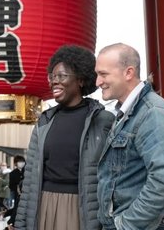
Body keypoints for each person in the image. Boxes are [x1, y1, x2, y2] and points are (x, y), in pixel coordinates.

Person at [15, 45, 114, 230]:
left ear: (81, 80)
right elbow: (29, 180)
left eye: (61, 76)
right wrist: (20, 223)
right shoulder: (44, 122)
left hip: (82, 210)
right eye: (52, 77)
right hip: (44, 205)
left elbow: (113, 176)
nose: (54, 82)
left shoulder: (102, 121)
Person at [95, 43, 164, 230]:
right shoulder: (126, 113)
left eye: (103, 74)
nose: (98, 82)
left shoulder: (154, 113)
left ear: (128, 72)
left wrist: (125, 224)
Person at [7, 155, 25, 227]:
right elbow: (11, 185)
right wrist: (17, 188)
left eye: (22, 161)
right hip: (17, 194)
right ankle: (13, 221)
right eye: (19, 162)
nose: (21, 163)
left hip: (26, 193)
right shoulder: (12, 173)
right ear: (15, 163)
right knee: (17, 207)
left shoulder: (27, 172)